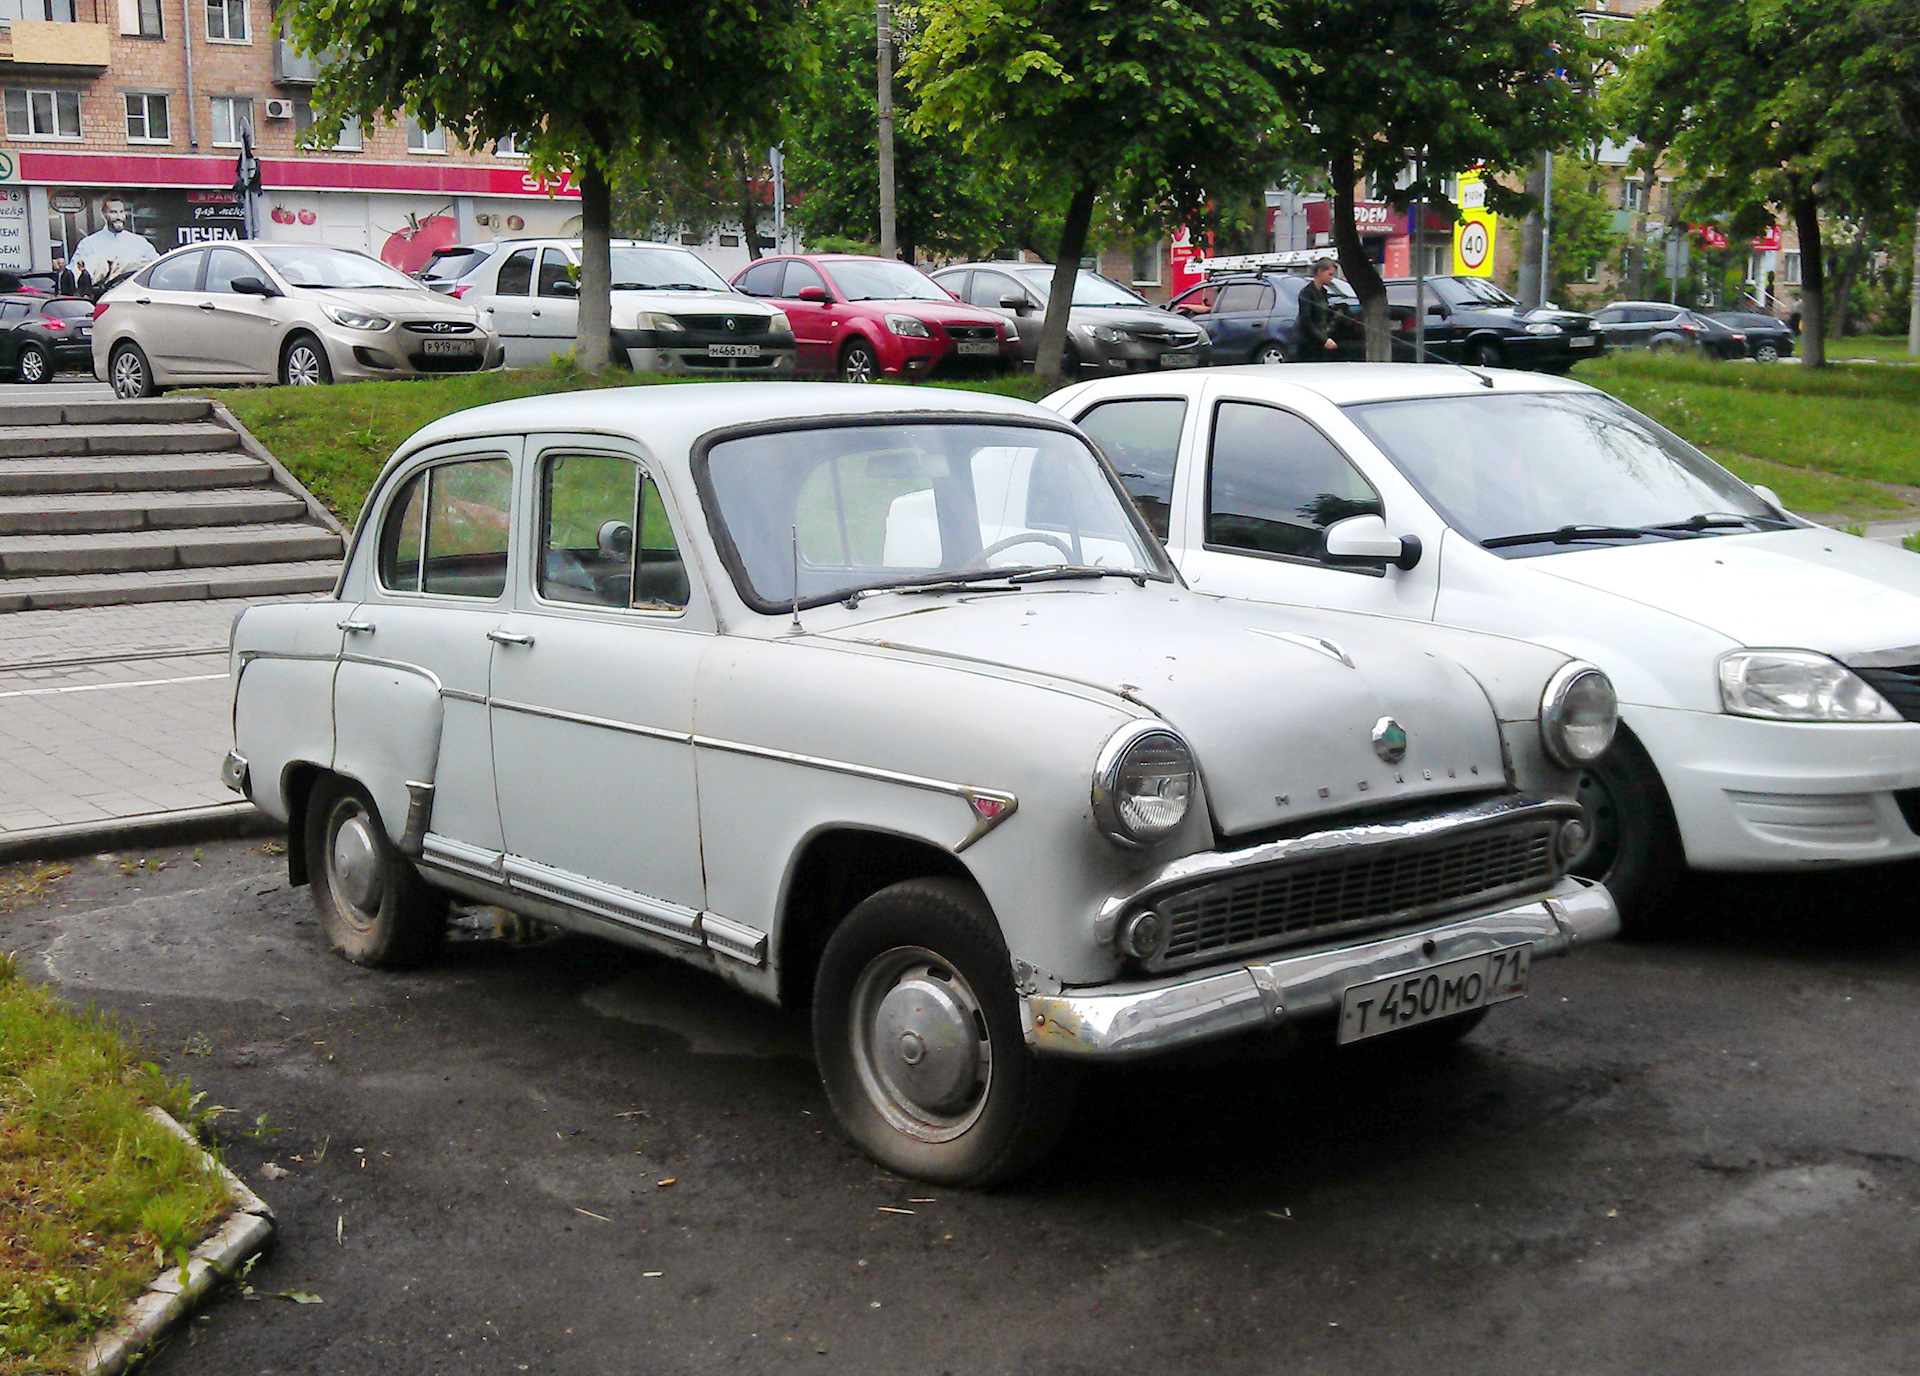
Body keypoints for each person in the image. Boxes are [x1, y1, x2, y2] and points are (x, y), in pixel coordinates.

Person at [70, 196, 158, 285]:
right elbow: (75, 274)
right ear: (103, 214)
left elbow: (157, 266)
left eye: (121, 212)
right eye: (113, 212)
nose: (119, 217)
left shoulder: (139, 242)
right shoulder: (88, 244)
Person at [1295, 257, 1341, 358]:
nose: (1331, 278)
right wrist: (1324, 340)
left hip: (1321, 342)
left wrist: (1335, 313)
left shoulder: (1323, 292)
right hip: (1309, 344)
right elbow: (1306, 321)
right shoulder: (1307, 293)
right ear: (1320, 272)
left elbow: (1323, 314)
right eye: (1330, 274)